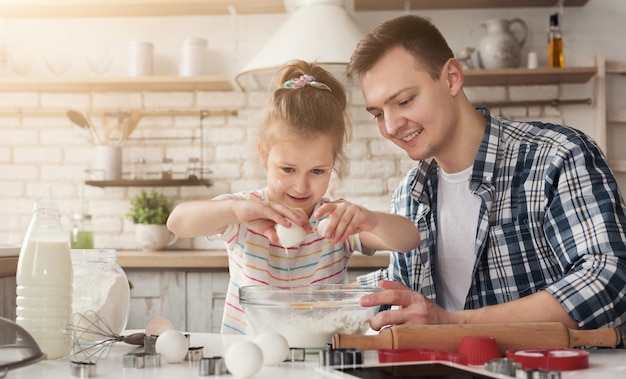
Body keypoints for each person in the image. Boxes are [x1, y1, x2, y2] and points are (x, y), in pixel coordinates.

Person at [347, 15, 626, 331]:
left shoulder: (557, 155)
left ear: (452, 77)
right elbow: (404, 301)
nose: (391, 126)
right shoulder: (410, 195)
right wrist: (307, 266)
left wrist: (455, 322)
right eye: (378, 114)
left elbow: (609, 278)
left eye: (404, 101)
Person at [167, 59, 421, 335]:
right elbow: (177, 222)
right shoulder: (246, 213)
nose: (301, 186)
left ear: (333, 163)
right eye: (287, 169)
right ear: (264, 155)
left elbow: (409, 240)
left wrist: (371, 219)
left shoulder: (337, 222)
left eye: (317, 170)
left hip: (317, 361)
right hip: (250, 361)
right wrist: (236, 211)